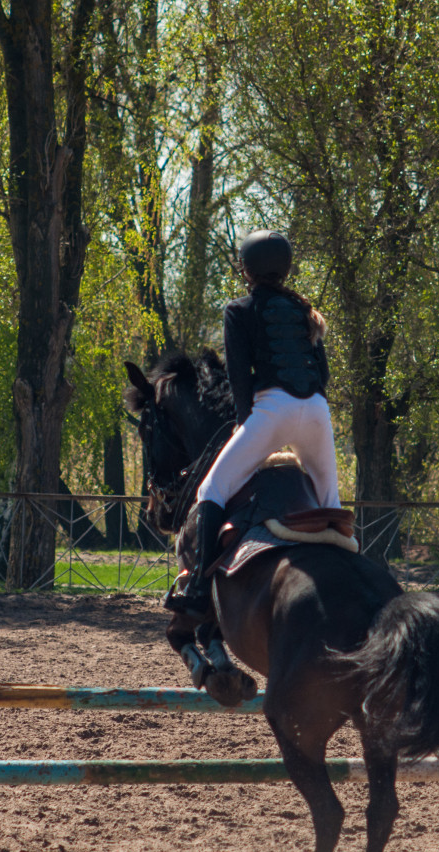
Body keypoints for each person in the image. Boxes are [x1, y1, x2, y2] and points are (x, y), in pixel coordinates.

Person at [166, 229, 342, 617]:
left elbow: (239, 379)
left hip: (271, 410)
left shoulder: (238, 309)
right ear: (286, 268)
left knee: (211, 488)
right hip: (315, 410)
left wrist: (245, 424)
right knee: (330, 501)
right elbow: (323, 374)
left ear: (246, 270)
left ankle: (196, 589)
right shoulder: (304, 309)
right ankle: (352, 570)